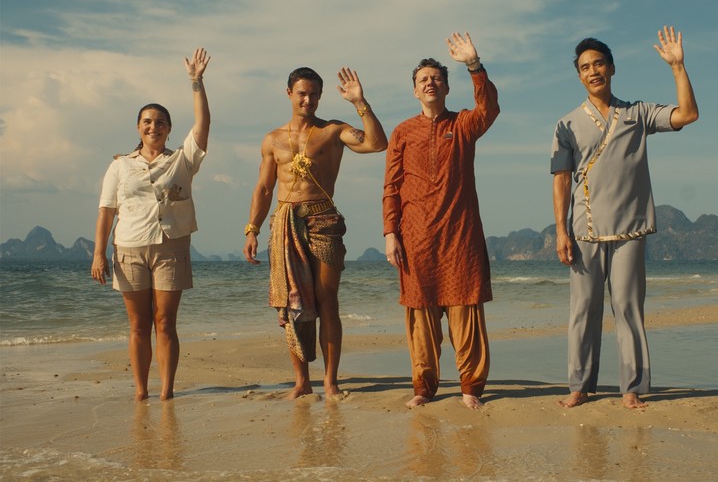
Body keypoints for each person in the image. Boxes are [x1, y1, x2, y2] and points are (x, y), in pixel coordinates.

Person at [551, 27, 700, 409]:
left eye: (599, 63)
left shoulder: (637, 113)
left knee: (628, 309)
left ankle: (631, 387)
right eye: (585, 67)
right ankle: (579, 385)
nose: (593, 71)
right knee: (583, 312)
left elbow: (688, 114)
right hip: (584, 229)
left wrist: (678, 67)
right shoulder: (566, 124)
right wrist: (561, 231)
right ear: (579, 76)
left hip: (631, 228)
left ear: (612, 68)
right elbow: (561, 180)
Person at [243, 66, 387, 400]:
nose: (308, 99)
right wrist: (252, 229)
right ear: (289, 93)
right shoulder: (272, 140)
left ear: (321, 96)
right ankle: (301, 382)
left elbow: (377, 144)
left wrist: (360, 103)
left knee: (327, 303)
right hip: (285, 224)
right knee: (292, 305)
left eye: (314, 94)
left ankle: (330, 381)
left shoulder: (333, 131)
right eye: (302, 93)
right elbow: (264, 188)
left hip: (323, 220)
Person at [382, 32, 500, 410]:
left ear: (447, 86)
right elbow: (391, 187)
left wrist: (474, 65)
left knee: (466, 312)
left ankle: (470, 389)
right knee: (420, 316)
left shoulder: (463, 124)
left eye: (436, 78)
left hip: (459, 236)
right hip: (415, 237)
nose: (429, 83)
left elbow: (489, 110)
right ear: (414, 91)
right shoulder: (402, 132)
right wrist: (390, 233)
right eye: (422, 80)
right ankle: (424, 386)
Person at [91, 47, 212, 401]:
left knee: (165, 323)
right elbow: (106, 211)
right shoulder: (120, 165)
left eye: (160, 122)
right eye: (147, 122)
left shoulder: (183, 161)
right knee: (139, 325)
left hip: (171, 247)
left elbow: (203, 125)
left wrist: (196, 82)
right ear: (138, 128)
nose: (153, 127)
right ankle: (141, 391)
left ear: (169, 129)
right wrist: (99, 254)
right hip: (128, 248)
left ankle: (167, 392)